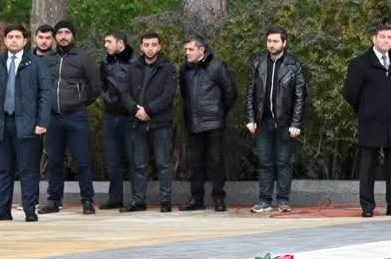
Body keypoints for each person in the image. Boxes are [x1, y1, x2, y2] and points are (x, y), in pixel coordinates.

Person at [0, 25, 51, 222]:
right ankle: (3, 209)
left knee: (28, 169)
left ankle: (29, 209)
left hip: (28, 124)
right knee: (4, 169)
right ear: (4, 40)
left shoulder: (36, 64)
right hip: (1, 124)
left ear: (25, 41)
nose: (14, 40)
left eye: (18, 37)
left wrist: (42, 122)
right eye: (10, 36)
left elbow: (45, 94)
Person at [341, 23, 391, 218]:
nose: (386, 40)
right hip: (371, 121)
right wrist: (365, 108)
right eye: (382, 37)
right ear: (373, 39)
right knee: (368, 166)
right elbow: (349, 92)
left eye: (389, 37)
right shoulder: (360, 64)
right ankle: (367, 206)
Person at [41, 19, 101, 215]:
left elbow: (95, 87)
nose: (63, 36)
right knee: (55, 161)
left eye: (67, 32)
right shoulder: (47, 60)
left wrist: (80, 101)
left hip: (76, 116)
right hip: (53, 118)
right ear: (55, 37)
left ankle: (87, 200)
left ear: (73, 35)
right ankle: (54, 201)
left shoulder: (84, 58)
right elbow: (41, 87)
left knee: (82, 160)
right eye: (59, 33)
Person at [245, 27, 306, 213]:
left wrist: (296, 123)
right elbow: (250, 92)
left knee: (283, 162)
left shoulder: (293, 65)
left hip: (284, 122)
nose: (271, 45)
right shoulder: (258, 63)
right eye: (269, 41)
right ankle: (264, 200)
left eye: (275, 41)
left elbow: (300, 96)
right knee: (265, 162)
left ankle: (283, 200)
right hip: (263, 121)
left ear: (284, 43)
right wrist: (251, 118)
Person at [180, 36, 236, 212]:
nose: (187, 53)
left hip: (213, 123)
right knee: (196, 163)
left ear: (201, 50)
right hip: (193, 122)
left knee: (216, 161)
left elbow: (230, 92)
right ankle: (196, 199)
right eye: (186, 49)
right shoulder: (185, 69)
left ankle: (219, 199)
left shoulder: (216, 66)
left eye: (190, 49)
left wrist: (219, 111)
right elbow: (184, 94)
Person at [122, 31, 176, 213]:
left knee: (163, 163)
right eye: (146, 45)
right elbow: (124, 93)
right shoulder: (133, 67)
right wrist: (135, 110)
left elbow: (168, 95)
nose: (150, 48)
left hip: (160, 124)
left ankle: (166, 201)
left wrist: (149, 110)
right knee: (139, 164)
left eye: (153, 45)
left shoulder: (167, 68)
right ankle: (138, 201)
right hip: (137, 123)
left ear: (159, 46)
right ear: (141, 47)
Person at [99, 30, 134, 209]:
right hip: (110, 115)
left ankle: (137, 198)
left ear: (120, 43)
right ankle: (115, 198)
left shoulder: (135, 62)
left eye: (109, 41)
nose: (105, 45)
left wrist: (133, 106)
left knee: (133, 158)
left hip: (129, 117)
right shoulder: (105, 63)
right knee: (112, 160)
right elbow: (102, 85)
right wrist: (106, 98)